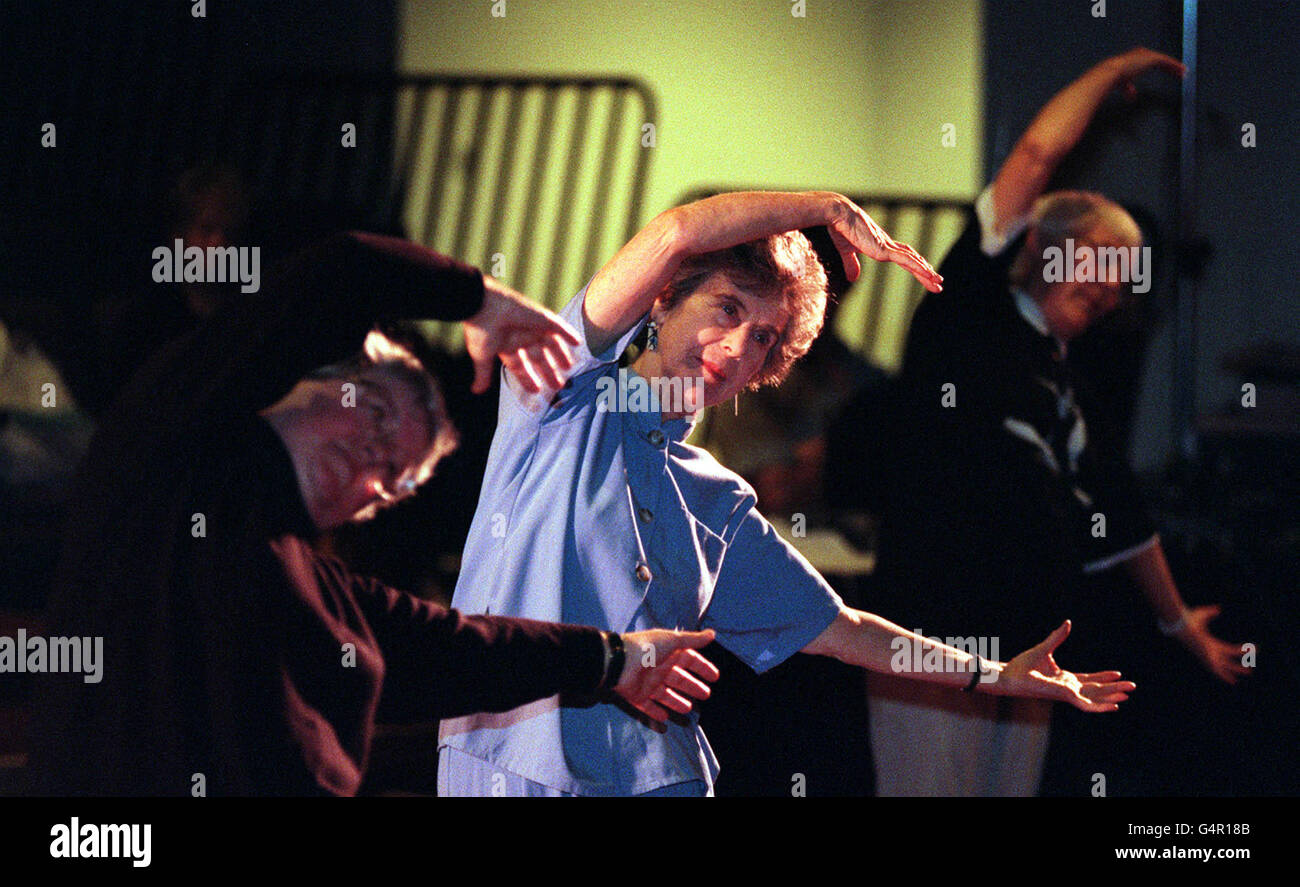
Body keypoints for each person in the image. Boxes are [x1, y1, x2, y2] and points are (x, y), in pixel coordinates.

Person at [439, 190, 1137, 797]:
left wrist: (996, 676)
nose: (738, 345)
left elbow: (843, 630)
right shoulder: (562, 393)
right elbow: (678, 232)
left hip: (656, 775)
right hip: (509, 756)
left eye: (764, 335)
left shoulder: (716, 497)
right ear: (664, 299)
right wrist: (826, 209)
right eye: (726, 307)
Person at [26, 231, 720, 797]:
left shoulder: (324, 594)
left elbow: (462, 647)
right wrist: (474, 301)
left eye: (394, 478)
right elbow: (334, 269)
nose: (375, 456)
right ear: (310, 381)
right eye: (376, 412)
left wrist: (617, 656)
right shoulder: (170, 454)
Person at [863, 48, 1249, 797]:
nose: (1112, 289)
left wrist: (1178, 626)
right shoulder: (967, 313)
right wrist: (1118, 71)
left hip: (1030, 644)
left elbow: (1123, 517)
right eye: (1102, 261)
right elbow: (1038, 154)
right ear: (1041, 246)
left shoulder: (1069, 383)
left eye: (1125, 278)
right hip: (930, 631)